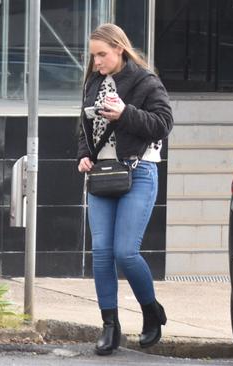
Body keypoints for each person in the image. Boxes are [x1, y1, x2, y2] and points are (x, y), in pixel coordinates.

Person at [76, 23, 173, 356]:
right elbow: (84, 126)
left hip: (139, 170)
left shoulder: (146, 81)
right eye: (93, 56)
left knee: (125, 252)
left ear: (119, 48)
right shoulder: (93, 82)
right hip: (102, 173)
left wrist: (125, 113)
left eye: (102, 54)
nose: (97, 62)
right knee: (101, 253)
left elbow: (163, 123)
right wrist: (84, 154)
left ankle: (150, 311)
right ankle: (110, 326)